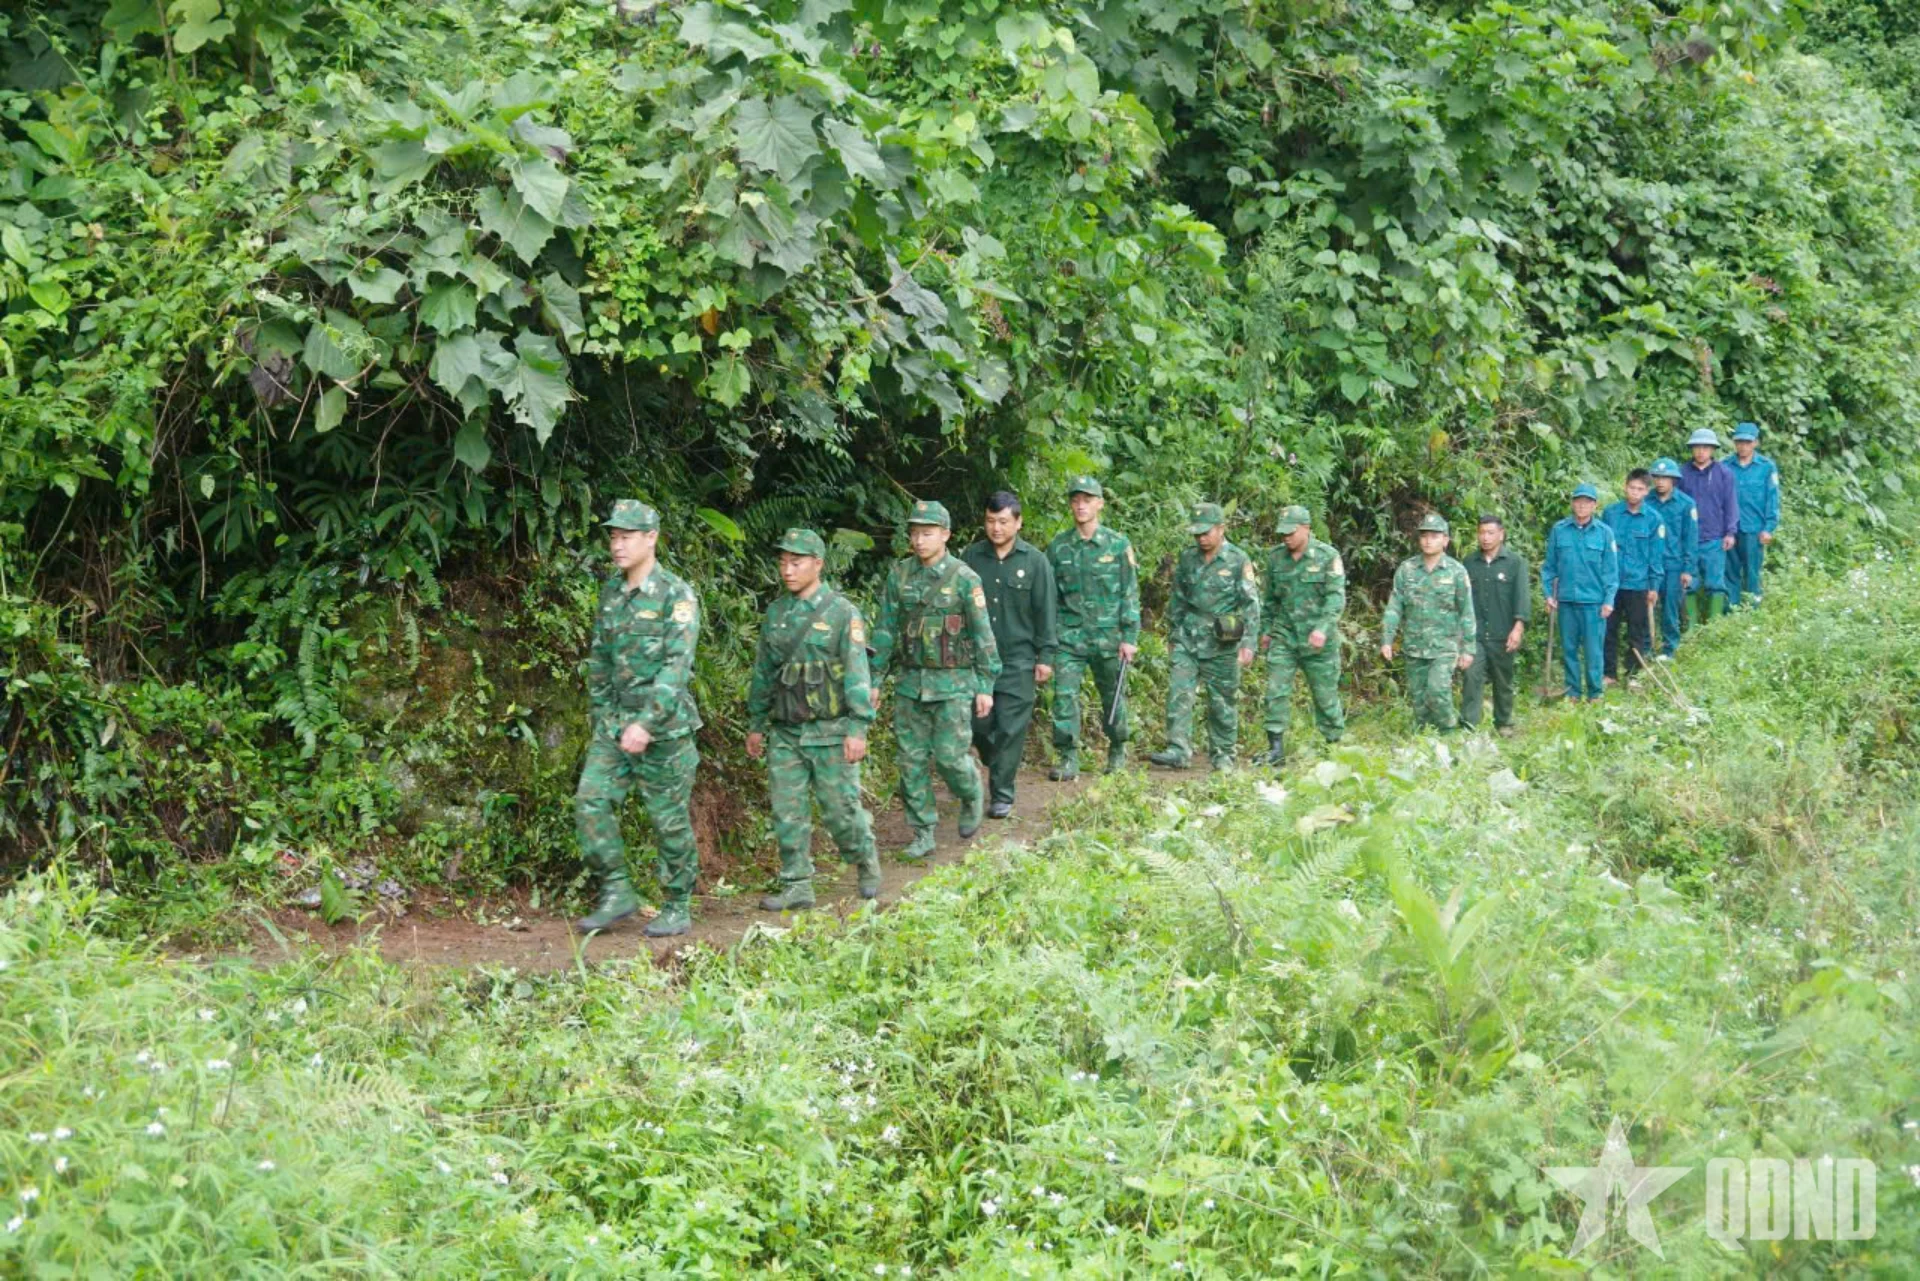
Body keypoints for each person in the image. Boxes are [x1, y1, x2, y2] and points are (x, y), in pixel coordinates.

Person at [574, 500, 703, 937]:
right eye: (613, 536)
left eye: (626, 536)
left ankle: (677, 904)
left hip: (665, 729)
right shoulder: (612, 593)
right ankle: (617, 892)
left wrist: (646, 723)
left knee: (668, 820)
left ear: (651, 538)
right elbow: (600, 659)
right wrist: (602, 714)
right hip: (615, 723)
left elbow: (677, 666)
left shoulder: (676, 595)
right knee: (591, 800)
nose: (617, 545)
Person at [745, 528, 882, 911]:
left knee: (840, 812)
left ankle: (864, 857)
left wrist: (858, 728)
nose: (787, 570)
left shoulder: (842, 613)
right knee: (787, 811)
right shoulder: (776, 613)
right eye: (783, 562)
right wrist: (756, 724)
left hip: (831, 731)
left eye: (796, 562)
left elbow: (857, 673)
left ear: (818, 564)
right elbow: (764, 673)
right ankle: (797, 884)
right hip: (786, 732)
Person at [869, 500, 1002, 861]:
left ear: (945, 535)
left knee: (949, 757)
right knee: (910, 761)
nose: (919, 540)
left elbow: (982, 634)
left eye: (927, 533)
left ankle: (971, 791)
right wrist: (875, 679)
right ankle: (922, 831)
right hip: (910, 683)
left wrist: (985, 685)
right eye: (914, 533)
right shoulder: (899, 576)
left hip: (953, 684)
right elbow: (884, 631)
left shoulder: (964, 579)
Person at [962, 492, 1058, 818]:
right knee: (978, 724)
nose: (996, 528)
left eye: (1003, 521)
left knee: (1010, 728)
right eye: (990, 521)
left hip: (1019, 659)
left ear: (1018, 523)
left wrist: (1045, 656)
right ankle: (994, 759)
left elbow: (1045, 611)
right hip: (977, 660)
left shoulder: (1035, 562)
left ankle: (1002, 794)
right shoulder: (971, 558)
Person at [1150, 502, 1260, 770]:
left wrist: (1248, 642)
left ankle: (1223, 754)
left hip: (1222, 639)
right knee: (1179, 692)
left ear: (1221, 529)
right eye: (1197, 533)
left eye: (1206, 532)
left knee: (1222, 699)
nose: (1201, 538)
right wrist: (1173, 635)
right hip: (1188, 636)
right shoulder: (1188, 558)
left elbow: (1250, 604)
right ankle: (1178, 749)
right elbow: (1178, 598)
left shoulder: (1237, 559)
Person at [1045, 476, 1141, 779]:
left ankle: (1118, 749)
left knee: (1113, 696)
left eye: (1087, 500)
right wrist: (1050, 637)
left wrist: (1129, 637)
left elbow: (1129, 593)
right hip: (1069, 636)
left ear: (1099, 503)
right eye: (1075, 500)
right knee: (1064, 697)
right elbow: (1050, 597)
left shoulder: (1118, 545)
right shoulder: (1058, 548)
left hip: (1108, 637)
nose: (1080, 506)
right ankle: (1067, 757)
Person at [1257, 504, 1346, 766]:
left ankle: (1333, 746)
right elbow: (1270, 600)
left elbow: (1335, 598)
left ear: (1306, 528)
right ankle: (1275, 750)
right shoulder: (1276, 558)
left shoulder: (1327, 556)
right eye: (1283, 533)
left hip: (1319, 642)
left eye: (1291, 532)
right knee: (1275, 690)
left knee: (1325, 696)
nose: (1286, 537)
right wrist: (1266, 630)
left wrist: (1322, 628)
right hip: (1285, 635)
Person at [1379, 513, 1476, 731]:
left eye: (1434, 536)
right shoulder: (1407, 570)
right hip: (1415, 645)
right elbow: (1395, 607)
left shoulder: (1456, 571)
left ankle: (1449, 732)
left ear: (1445, 540)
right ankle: (1424, 737)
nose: (1428, 541)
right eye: (1424, 536)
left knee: (1437, 691)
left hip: (1444, 647)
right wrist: (1387, 639)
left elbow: (1467, 611)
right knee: (1419, 699)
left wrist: (1468, 648)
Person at [1541, 484, 1619, 704]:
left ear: (1595, 505)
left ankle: (1595, 693)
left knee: (1594, 651)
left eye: (1587, 501)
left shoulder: (1604, 533)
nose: (1582, 505)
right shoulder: (1559, 530)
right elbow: (1549, 567)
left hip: (1594, 603)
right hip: (1566, 601)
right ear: (1572, 503)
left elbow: (1611, 572)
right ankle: (1573, 692)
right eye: (1578, 501)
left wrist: (1608, 600)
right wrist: (1549, 594)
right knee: (1569, 649)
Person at [1460, 514, 1529, 734]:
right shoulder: (1469, 563)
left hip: (1503, 633)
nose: (1486, 538)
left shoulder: (1515, 563)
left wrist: (1518, 628)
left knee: (1503, 680)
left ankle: (1504, 723)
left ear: (1501, 534)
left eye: (1491, 533)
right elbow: (1461, 600)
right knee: (1471, 676)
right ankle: (1469, 724)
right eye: (1482, 533)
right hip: (1475, 634)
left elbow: (1522, 597)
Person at [1601, 470, 1667, 685]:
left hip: (1638, 584)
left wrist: (1654, 586)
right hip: (1612, 584)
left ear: (1647, 491)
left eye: (1640, 489)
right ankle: (1609, 673)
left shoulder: (1653, 519)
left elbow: (1656, 555)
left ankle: (1633, 674)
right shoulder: (1611, 514)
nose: (1635, 493)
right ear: (1625, 487)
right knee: (1608, 629)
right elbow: (1602, 548)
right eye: (1632, 488)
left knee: (1636, 631)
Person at [1676, 427, 1740, 624]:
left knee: (1715, 583)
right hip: (1689, 539)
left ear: (1712, 449)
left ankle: (1715, 625)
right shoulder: (1682, 474)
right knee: (1689, 583)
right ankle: (1691, 626)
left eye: (1705, 447)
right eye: (1697, 447)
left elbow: (1730, 504)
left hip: (1714, 538)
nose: (1701, 451)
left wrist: (1730, 532)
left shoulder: (1724, 473)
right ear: (1692, 449)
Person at [1645, 458, 1698, 658]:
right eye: (1657, 477)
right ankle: (1646, 648)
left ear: (1673, 480)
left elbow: (1690, 539)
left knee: (1670, 608)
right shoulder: (1645, 502)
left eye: (1665, 478)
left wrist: (1688, 569)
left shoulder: (1686, 504)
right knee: (1646, 606)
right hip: (1649, 564)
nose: (1660, 482)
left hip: (1673, 565)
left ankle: (1670, 648)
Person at [1726, 422, 1780, 608]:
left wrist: (1769, 528)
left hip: (1754, 529)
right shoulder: (1725, 466)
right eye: (1739, 442)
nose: (1743, 446)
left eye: (1747, 442)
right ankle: (1731, 611)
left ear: (1755, 443)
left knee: (1752, 573)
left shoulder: (1766, 467)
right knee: (1730, 573)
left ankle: (1753, 612)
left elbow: (1772, 499)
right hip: (1730, 529)